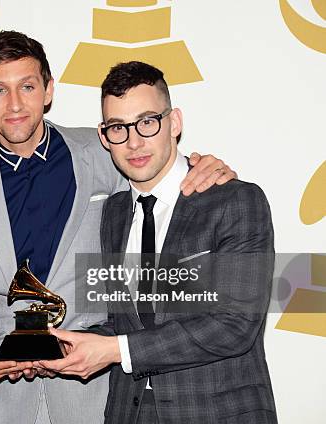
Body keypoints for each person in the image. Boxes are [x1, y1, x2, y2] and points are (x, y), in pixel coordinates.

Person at [0, 31, 236, 424]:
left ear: (48, 90)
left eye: (27, 86)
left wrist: (204, 169)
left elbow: (161, 176)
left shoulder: (105, 149)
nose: (15, 104)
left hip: (93, 388)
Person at [40, 61, 277, 423]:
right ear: (104, 137)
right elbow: (126, 320)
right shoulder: (113, 213)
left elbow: (234, 325)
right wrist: (66, 343)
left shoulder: (234, 201)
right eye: (118, 128)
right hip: (129, 412)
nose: (134, 141)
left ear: (174, 123)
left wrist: (115, 349)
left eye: (147, 122)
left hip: (216, 412)